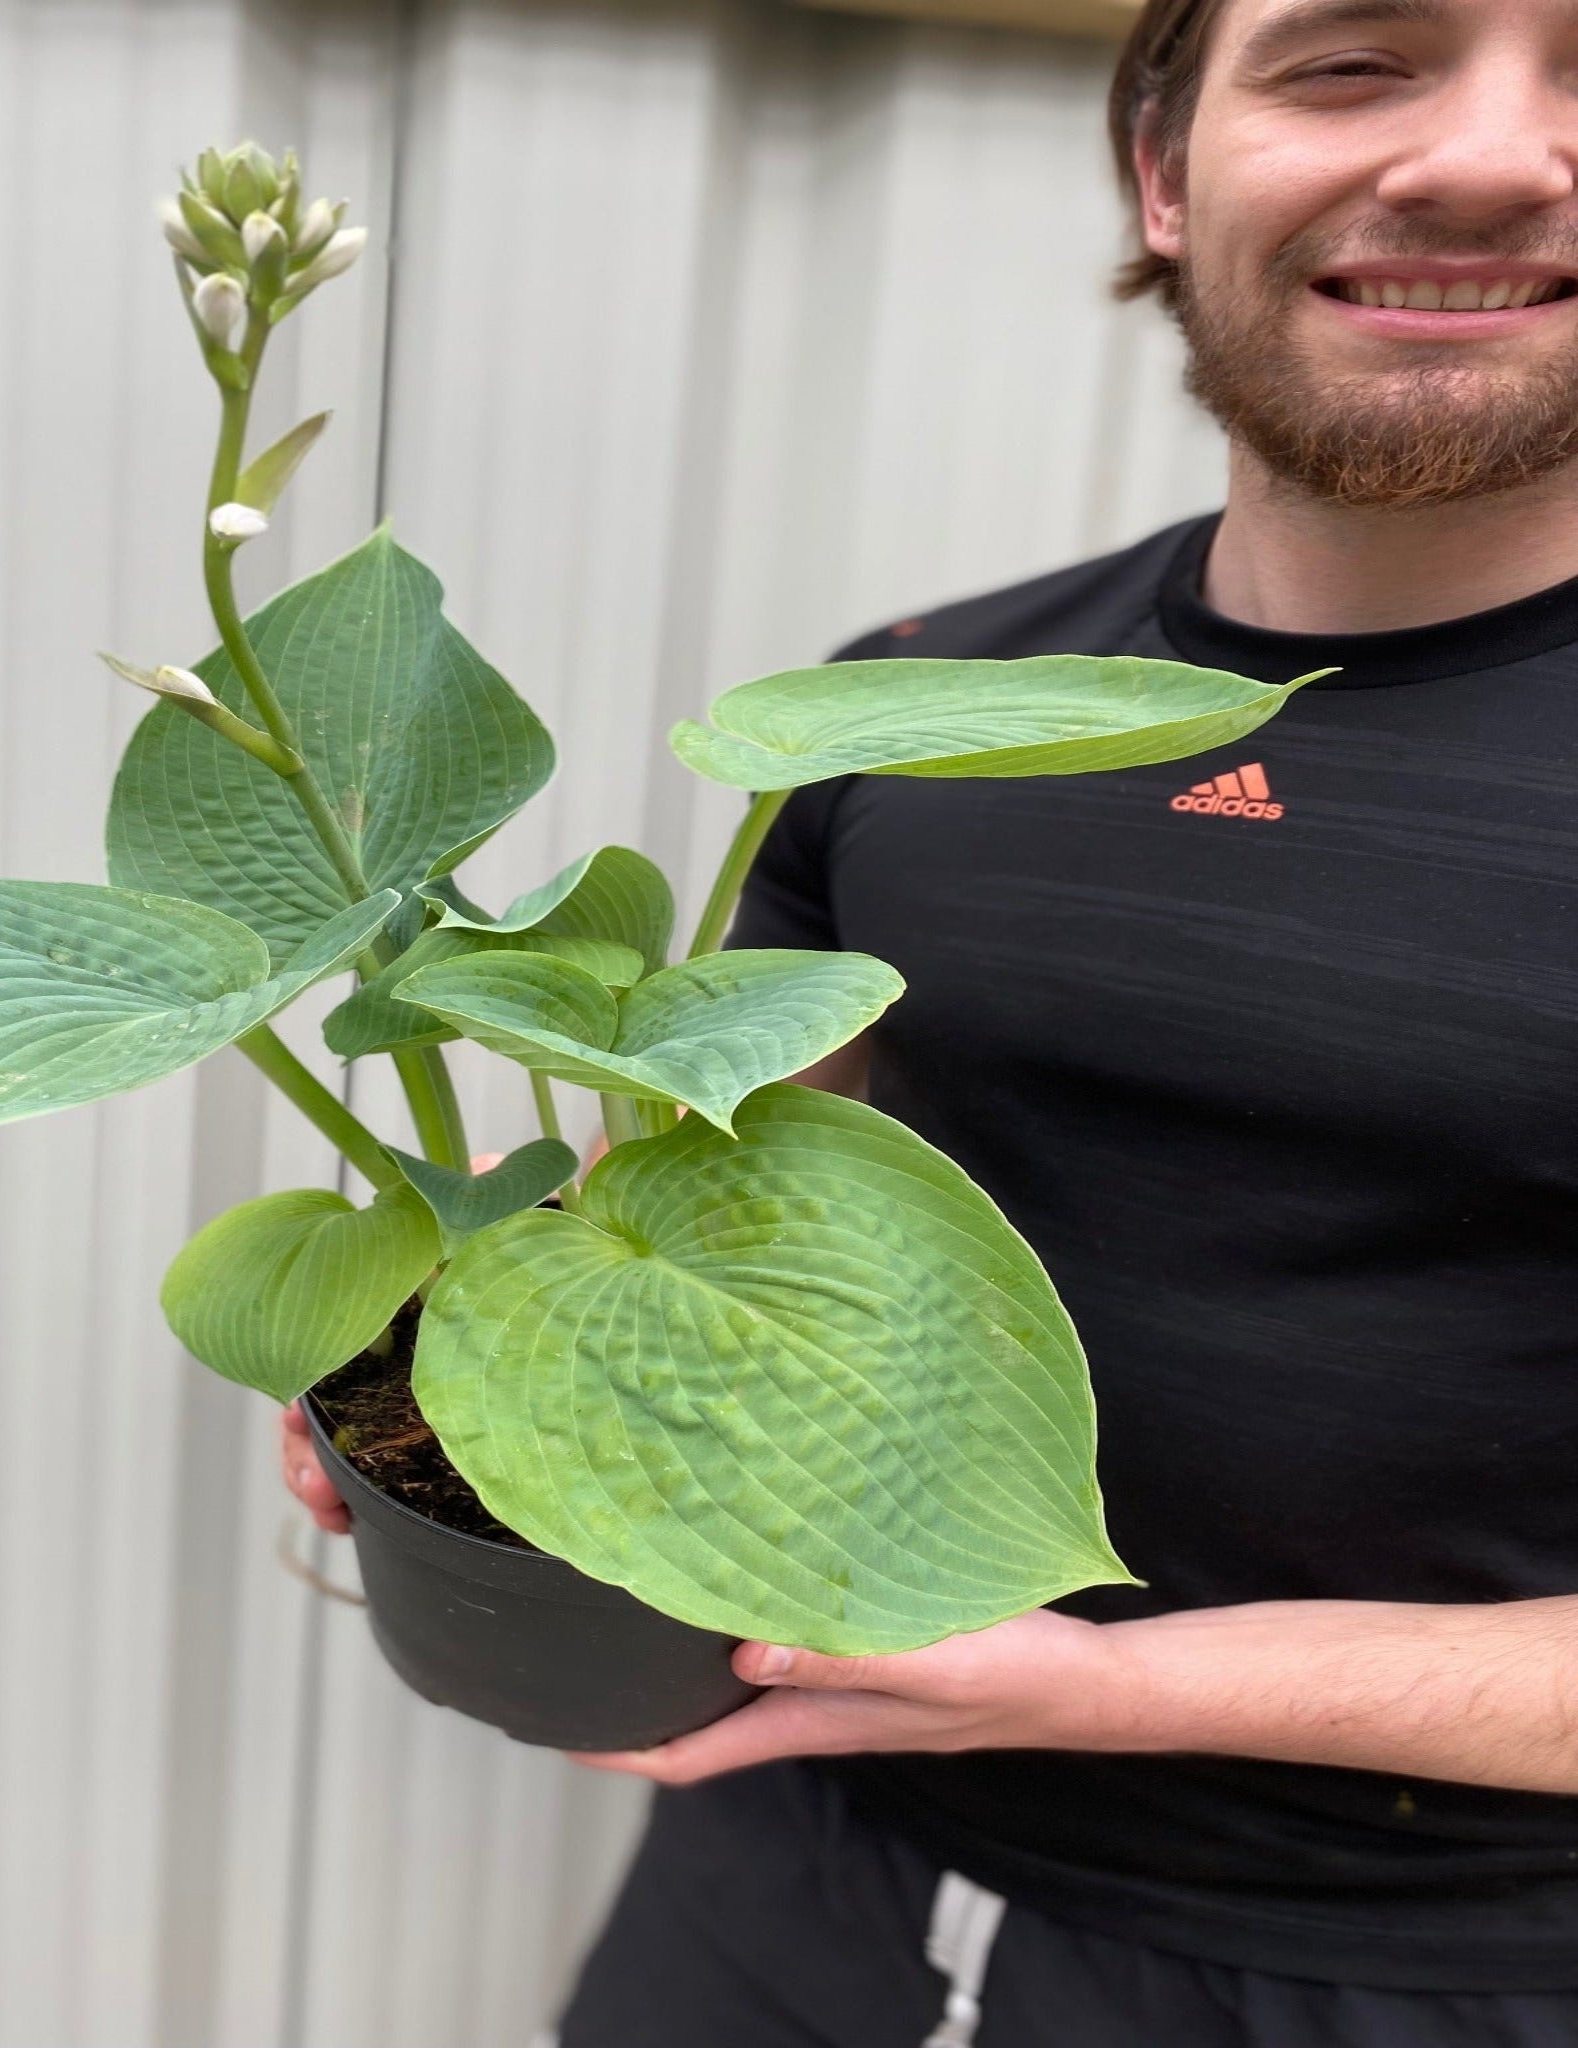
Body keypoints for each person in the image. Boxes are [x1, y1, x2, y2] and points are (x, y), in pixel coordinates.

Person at [283, 0, 1578, 2033]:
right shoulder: (910, 698)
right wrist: (469, 1410)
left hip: (1423, 1974)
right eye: (1351, 61)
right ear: (1163, 172)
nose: (1490, 157)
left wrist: (1120, 1686)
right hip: (787, 1871)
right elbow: (694, 1249)